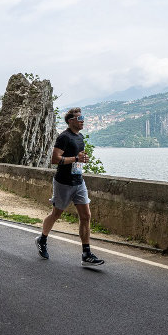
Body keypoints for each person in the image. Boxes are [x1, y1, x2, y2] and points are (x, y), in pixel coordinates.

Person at [35, 107, 105, 267]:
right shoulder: (63, 137)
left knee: (86, 216)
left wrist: (82, 159)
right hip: (63, 183)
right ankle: (42, 239)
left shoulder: (80, 137)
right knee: (56, 214)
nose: (83, 121)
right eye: (80, 118)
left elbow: (77, 158)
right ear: (71, 121)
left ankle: (86, 253)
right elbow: (54, 159)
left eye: (83, 118)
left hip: (78, 181)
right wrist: (75, 158)